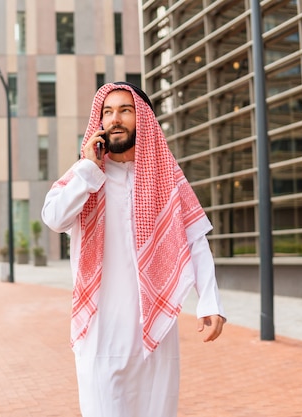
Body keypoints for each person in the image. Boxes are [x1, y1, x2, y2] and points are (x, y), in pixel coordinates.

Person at [41, 81, 225, 417]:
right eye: (107, 112)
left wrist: (209, 302)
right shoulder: (84, 176)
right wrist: (86, 169)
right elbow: (53, 217)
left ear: (143, 119)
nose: (115, 119)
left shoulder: (166, 177)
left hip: (154, 335)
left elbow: (196, 241)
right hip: (99, 335)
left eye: (125, 110)